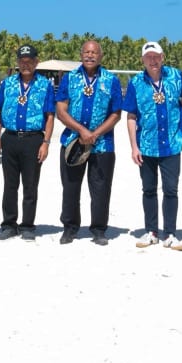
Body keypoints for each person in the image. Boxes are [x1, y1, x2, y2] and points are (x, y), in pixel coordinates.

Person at [54, 40, 123, 246]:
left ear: (101, 56)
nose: (90, 55)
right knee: (71, 187)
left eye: (94, 52)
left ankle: (99, 229)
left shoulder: (111, 80)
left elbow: (116, 114)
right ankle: (70, 227)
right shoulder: (69, 78)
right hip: (73, 142)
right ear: (81, 54)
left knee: (100, 189)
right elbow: (60, 110)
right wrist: (82, 131)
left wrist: (95, 134)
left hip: (102, 145)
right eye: (86, 52)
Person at [124, 41, 182, 251]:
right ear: (143, 60)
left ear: (162, 57)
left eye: (156, 56)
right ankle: (151, 231)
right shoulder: (136, 83)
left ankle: (170, 233)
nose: (153, 60)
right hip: (146, 145)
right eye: (148, 57)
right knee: (149, 190)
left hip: (172, 144)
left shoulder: (176, 76)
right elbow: (131, 116)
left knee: (171, 190)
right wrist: (134, 146)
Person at [0, 44, 55, 241]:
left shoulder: (45, 85)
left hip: (33, 139)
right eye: (22, 61)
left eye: (29, 61)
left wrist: (46, 142)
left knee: (30, 185)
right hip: (10, 138)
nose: (26, 65)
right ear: (18, 62)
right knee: (9, 185)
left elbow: (49, 116)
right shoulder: (8, 83)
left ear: (36, 62)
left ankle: (28, 225)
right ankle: (9, 224)